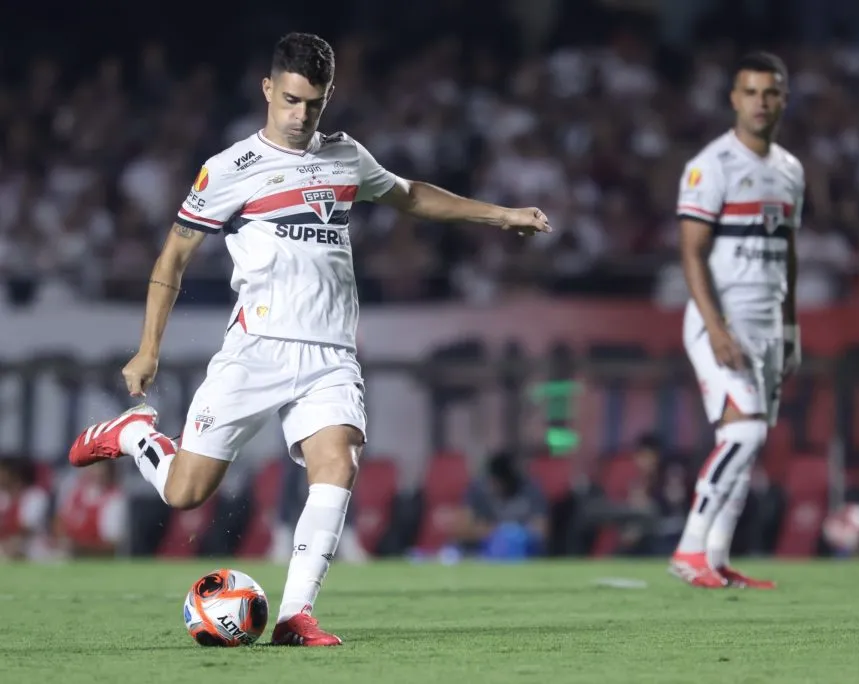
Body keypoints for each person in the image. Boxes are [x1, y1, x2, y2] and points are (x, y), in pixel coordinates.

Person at [67, 32, 550, 645]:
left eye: (313, 104)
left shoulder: (346, 156)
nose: (300, 115)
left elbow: (409, 196)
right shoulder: (229, 169)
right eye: (291, 100)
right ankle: (135, 433)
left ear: (328, 98)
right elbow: (173, 258)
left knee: (337, 461)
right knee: (186, 493)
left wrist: (501, 215)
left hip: (331, 354)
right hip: (256, 349)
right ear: (268, 89)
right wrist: (148, 349)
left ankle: (295, 615)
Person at [669, 51, 804, 589]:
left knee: (749, 442)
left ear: (784, 100)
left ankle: (717, 559)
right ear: (734, 99)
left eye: (770, 93)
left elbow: (787, 253)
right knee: (745, 432)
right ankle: (688, 549)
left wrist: (790, 328)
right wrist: (717, 327)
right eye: (750, 92)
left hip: (768, 324)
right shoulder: (712, 166)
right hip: (721, 320)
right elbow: (691, 253)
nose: (760, 103)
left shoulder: (790, 170)